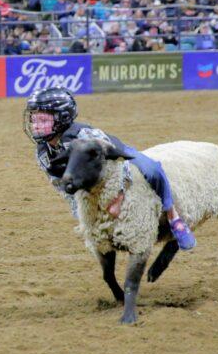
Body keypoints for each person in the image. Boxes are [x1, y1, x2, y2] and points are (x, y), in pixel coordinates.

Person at [24, 86, 196, 250]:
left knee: (153, 170)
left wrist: (119, 196)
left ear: (62, 119)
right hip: (90, 176)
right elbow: (62, 187)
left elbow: (119, 166)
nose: (35, 125)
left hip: (116, 156)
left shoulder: (85, 137)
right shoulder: (43, 153)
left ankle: (174, 218)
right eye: (33, 119)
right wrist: (83, 216)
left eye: (43, 120)